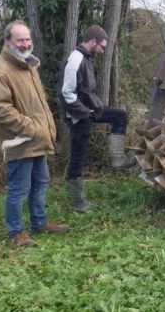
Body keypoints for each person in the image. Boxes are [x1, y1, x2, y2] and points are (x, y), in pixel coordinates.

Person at [0, 20, 69, 247]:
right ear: (7, 41)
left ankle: (40, 223)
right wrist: (30, 128)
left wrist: (41, 131)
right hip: (19, 141)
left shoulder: (28, 65)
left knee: (40, 182)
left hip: (37, 139)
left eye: (28, 39)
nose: (25, 43)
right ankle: (16, 232)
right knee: (19, 188)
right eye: (20, 39)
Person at [57, 25, 137, 212]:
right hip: (79, 116)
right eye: (102, 46)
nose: (102, 51)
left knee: (120, 116)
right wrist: (84, 112)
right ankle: (78, 202)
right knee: (78, 158)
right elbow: (66, 93)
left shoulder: (86, 58)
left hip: (91, 111)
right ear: (93, 41)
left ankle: (118, 160)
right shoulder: (76, 60)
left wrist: (91, 110)